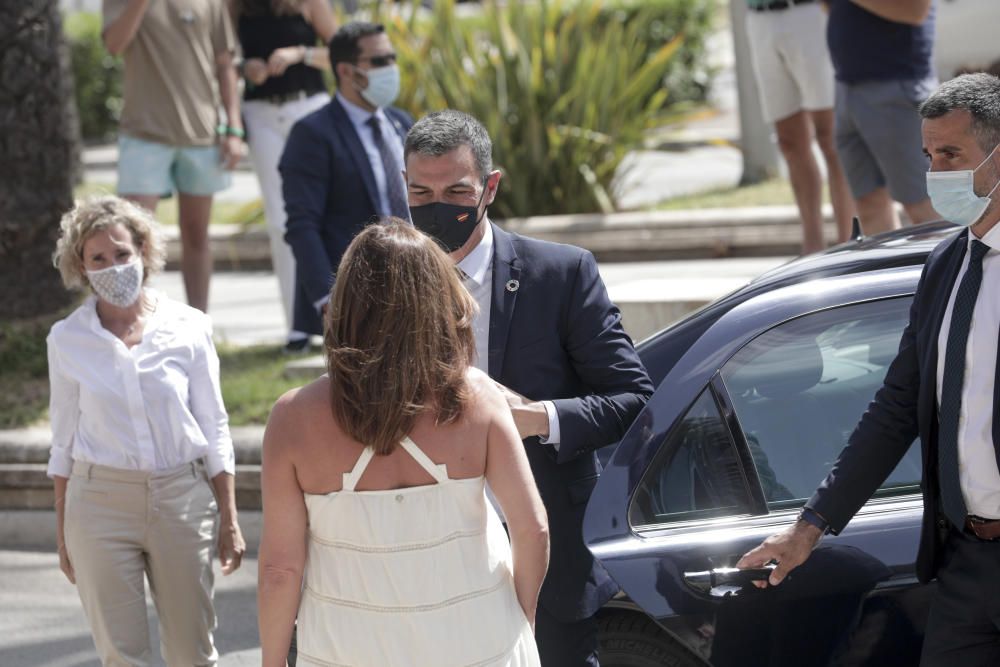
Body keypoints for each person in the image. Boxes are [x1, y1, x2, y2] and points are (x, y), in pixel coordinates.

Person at [738, 73, 1000, 665]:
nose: (937, 173)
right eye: (929, 156)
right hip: (967, 564)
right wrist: (810, 527)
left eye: (952, 155)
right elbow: (894, 409)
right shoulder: (946, 268)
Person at [404, 110, 655, 666]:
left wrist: (536, 416)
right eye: (420, 192)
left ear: (490, 188)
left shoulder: (559, 275)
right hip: (423, 552)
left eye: (456, 191)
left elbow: (633, 398)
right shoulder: (386, 281)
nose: (437, 207)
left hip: (542, 554)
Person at [257, 220, 548, 666]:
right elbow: (532, 529)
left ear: (347, 304)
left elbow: (280, 570)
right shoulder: (479, 399)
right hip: (480, 644)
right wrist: (521, 618)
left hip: (347, 650)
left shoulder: (294, 417)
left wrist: (272, 663)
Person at [48, 196, 245, 666]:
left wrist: (230, 516)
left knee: (192, 651)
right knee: (121, 654)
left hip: (180, 496)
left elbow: (214, 425)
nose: (113, 266)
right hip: (98, 504)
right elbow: (63, 441)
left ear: (143, 251)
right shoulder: (67, 340)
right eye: (98, 258)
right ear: (81, 265)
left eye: (121, 253)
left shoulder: (189, 327)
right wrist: (62, 532)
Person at [102, 0, 243, 313]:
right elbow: (114, 45)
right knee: (131, 238)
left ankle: (199, 325)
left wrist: (234, 127)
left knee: (197, 234)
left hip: (202, 133)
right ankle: (134, 326)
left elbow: (224, 63)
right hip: (143, 133)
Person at [279, 21, 413, 341]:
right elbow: (302, 226)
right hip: (358, 296)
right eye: (379, 61)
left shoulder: (402, 123)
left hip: (416, 281)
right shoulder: (312, 134)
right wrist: (330, 301)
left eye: (392, 58)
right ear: (346, 71)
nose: (390, 68)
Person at [232, 0, 337, 352]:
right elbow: (223, 58)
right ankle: (297, 324)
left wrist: (300, 54)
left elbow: (343, 54)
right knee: (281, 222)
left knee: (326, 213)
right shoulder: (236, 6)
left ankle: (339, 314)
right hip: (261, 113)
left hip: (309, 108)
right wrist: (246, 68)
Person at [744, 0, 854, 253]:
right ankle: (812, 246)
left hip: (809, 13)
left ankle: (848, 244)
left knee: (830, 137)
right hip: (759, 17)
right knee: (789, 142)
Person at [823, 0, 939, 234]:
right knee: (868, 206)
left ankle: (949, 271)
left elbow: (915, 10)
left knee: (925, 209)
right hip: (847, 87)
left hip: (896, 85)